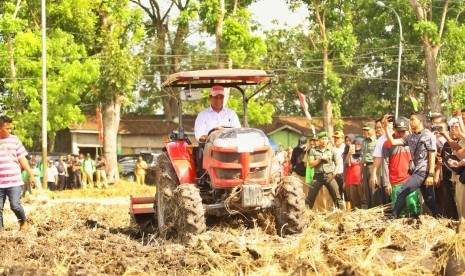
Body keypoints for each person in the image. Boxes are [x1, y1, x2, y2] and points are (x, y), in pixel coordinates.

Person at [381, 111, 440, 219]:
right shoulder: (410, 137)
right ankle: (440, 219)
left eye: (413, 119)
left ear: (420, 121)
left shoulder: (428, 135)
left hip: (423, 172)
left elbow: (432, 154)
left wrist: (430, 175)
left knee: (401, 192)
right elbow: (393, 142)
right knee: (429, 201)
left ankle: (392, 218)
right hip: (417, 171)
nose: (410, 122)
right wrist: (386, 128)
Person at [0, 115, 36, 231]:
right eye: (7, 128)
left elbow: (22, 159)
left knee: (15, 205)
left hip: (14, 180)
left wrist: (30, 175)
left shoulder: (14, 140)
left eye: (10, 128)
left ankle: (23, 222)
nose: (10, 131)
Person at [382, 117, 420, 217]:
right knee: (398, 208)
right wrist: (386, 183)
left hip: (410, 178)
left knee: (413, 204)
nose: (403, 134)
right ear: (394, 129)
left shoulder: (412, 140)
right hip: (395, 181)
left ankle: (414, 224)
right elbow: (385, 163)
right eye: (400, 131)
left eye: (404, 131)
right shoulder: (387, 144)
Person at [305, 131, 345, 210]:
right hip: (317, 177)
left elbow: (337, 164)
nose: (324, 141)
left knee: (337, 197)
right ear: (319, 140)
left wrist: (334, 174)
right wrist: (321, 159)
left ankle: (342, 214)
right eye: (322, 139)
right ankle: (305, 214)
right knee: (310, 197)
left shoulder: (331, 150)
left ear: (328, 140)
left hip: (329, 176)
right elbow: (311, 165)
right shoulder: (313, 151)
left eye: (326, 139)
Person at [361, 122, 380, 208]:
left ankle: (376, 210)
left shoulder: (377, 141)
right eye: (364, 130)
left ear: (373, 130)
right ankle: (370, 209)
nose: (365, 132)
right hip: (365, 167)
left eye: (367, 130)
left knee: (374, 190)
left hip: (373, 167)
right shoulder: (364, 141)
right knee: (367, 191)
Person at [344, 137, 365, 209]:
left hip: (361, 180)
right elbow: (346, 163)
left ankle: (365, 213)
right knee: (354, 198)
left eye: (359, 144)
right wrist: (349, 154)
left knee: (363, 198)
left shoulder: (364, 154)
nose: (357, 145)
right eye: (355, 144)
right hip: (352, 180)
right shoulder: (351, 155)